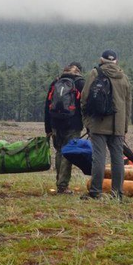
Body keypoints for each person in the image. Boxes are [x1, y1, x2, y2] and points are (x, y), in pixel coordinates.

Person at [80, 50, 133, 201]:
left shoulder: (95, 73)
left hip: (98, 122)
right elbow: (128, 105)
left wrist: (87, 122)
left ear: (101, 60)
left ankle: (95, 192)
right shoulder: (124, 77)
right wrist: (124, 127)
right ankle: (118, 193)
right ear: (116, 61)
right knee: (117, 159)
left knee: (99, 158)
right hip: (118, 125)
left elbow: (84, 98)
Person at [44, 62, 85, 194]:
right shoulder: (80, 83)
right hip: (73, 124)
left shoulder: (55, 82)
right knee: (69, 153)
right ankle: (63, 186)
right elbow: (84, 105)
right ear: (78, 71)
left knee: (59, 152)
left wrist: (48, 128)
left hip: (55, 123)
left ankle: (59, 182)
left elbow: (47, 105)